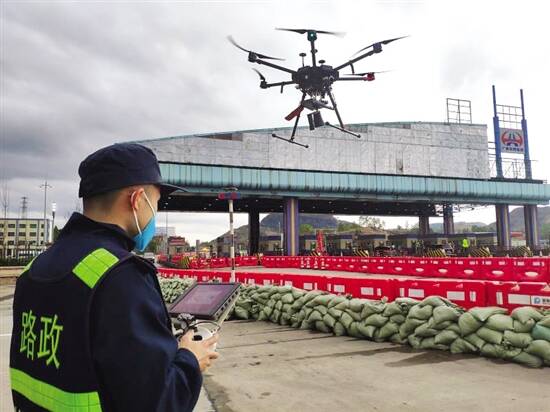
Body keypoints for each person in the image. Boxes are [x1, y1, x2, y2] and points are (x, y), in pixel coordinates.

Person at [10, 143, 218, 411]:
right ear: (137, 200)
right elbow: (157, 403)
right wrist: (190, 360)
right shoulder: (121, 277)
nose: (155, 213)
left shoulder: (33, 269)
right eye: (156, 203)